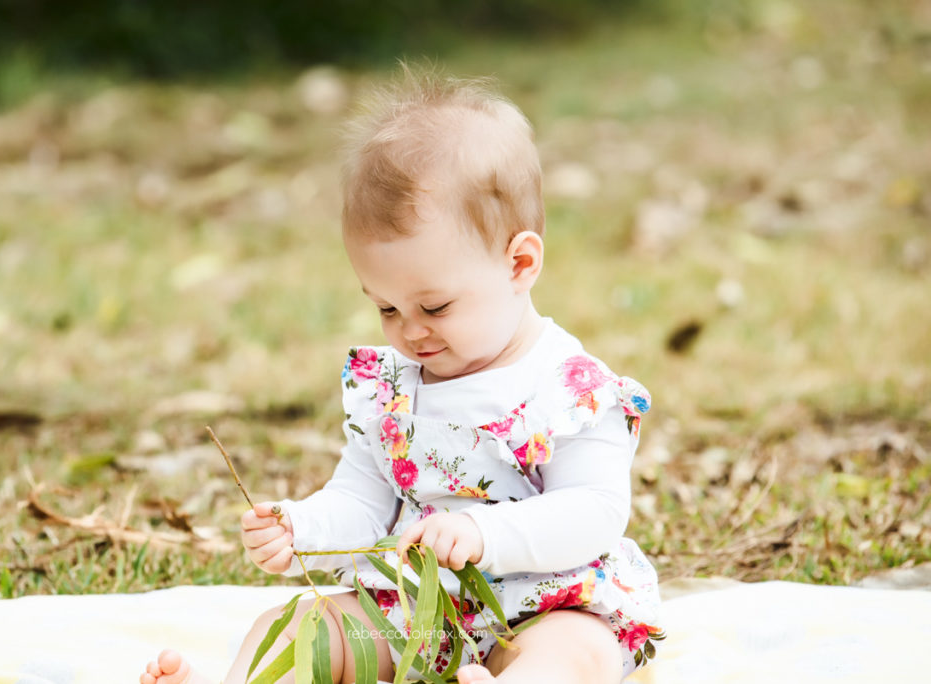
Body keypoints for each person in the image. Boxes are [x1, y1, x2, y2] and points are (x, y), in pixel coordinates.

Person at [140, 66, 663, 684]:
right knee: (296, 625)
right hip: (413, 615)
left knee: (577, 652)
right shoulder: (393, 390)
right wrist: (300, 528)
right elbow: (361, 501)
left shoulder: (569, 390)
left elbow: (593, 510)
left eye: (435, 307)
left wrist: (482, 530)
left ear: (519, 263)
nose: (410, 331)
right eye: (387, 307)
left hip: (545, 604)